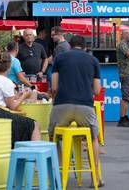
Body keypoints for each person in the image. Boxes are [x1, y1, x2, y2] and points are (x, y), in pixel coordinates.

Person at [48, 35, 102, 187]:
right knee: (93, 138)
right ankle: (95, 178)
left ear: (70, 46)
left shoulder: (59, 58)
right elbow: (97, 90)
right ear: (84, 46)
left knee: (54, 137)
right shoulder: (93, 60)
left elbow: (54, 87)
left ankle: (58, 177)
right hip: (85, 106)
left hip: (62, 105)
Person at [0, 52, 41, 147]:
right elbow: (13, 106)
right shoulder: (6, 81)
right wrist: (24, 95)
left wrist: (17, 96)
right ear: (9, 67)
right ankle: (35, 158)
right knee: (33, 124)